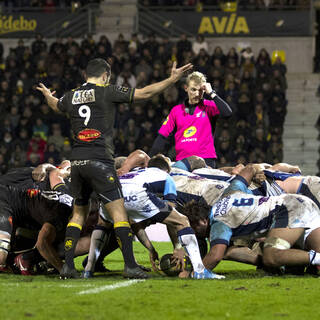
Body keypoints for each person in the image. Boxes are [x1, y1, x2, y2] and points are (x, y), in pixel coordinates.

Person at [36, 58, 192, 279]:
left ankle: (68, 267)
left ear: (85, 75)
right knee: (119, 213)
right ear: (106, 76)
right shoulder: (106, 91)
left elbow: (55, 104)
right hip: (100, 161)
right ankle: (130, 266)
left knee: (78, 214)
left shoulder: (71, 96)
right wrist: (172, 79)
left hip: (78, 163)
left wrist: (47, 95)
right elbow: (145, 93)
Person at [83, 155, 224, 280]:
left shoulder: (137, 173)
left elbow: (134, 224)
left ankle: (88, 269)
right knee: (182, 221)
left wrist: (151, 249)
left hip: (113, 191)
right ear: (166, 170)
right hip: (138, 194)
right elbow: (171, 210)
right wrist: (177, 247)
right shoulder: (166, 177)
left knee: (103, 224)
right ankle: (200, 271)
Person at [183, 164, 320, 273]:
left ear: (203, 221)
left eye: (194, 229)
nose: (195, 234)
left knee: (271, 256)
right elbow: (249, 169)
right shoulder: (229, 193)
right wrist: (256, 171)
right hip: (301, 202)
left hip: (288, 210)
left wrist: (193, 273)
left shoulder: (219, 222)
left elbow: (215, 255)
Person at [149, 71, 232, 168]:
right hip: (182, 162)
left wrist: (212, 93)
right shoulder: (176, 111)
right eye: (193, 90)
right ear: (186, 88)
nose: (197, 94)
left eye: (200, 90)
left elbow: (228, 113)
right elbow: (162, 137)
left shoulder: (209, 106)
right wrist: (150, 157)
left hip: (206, 161)